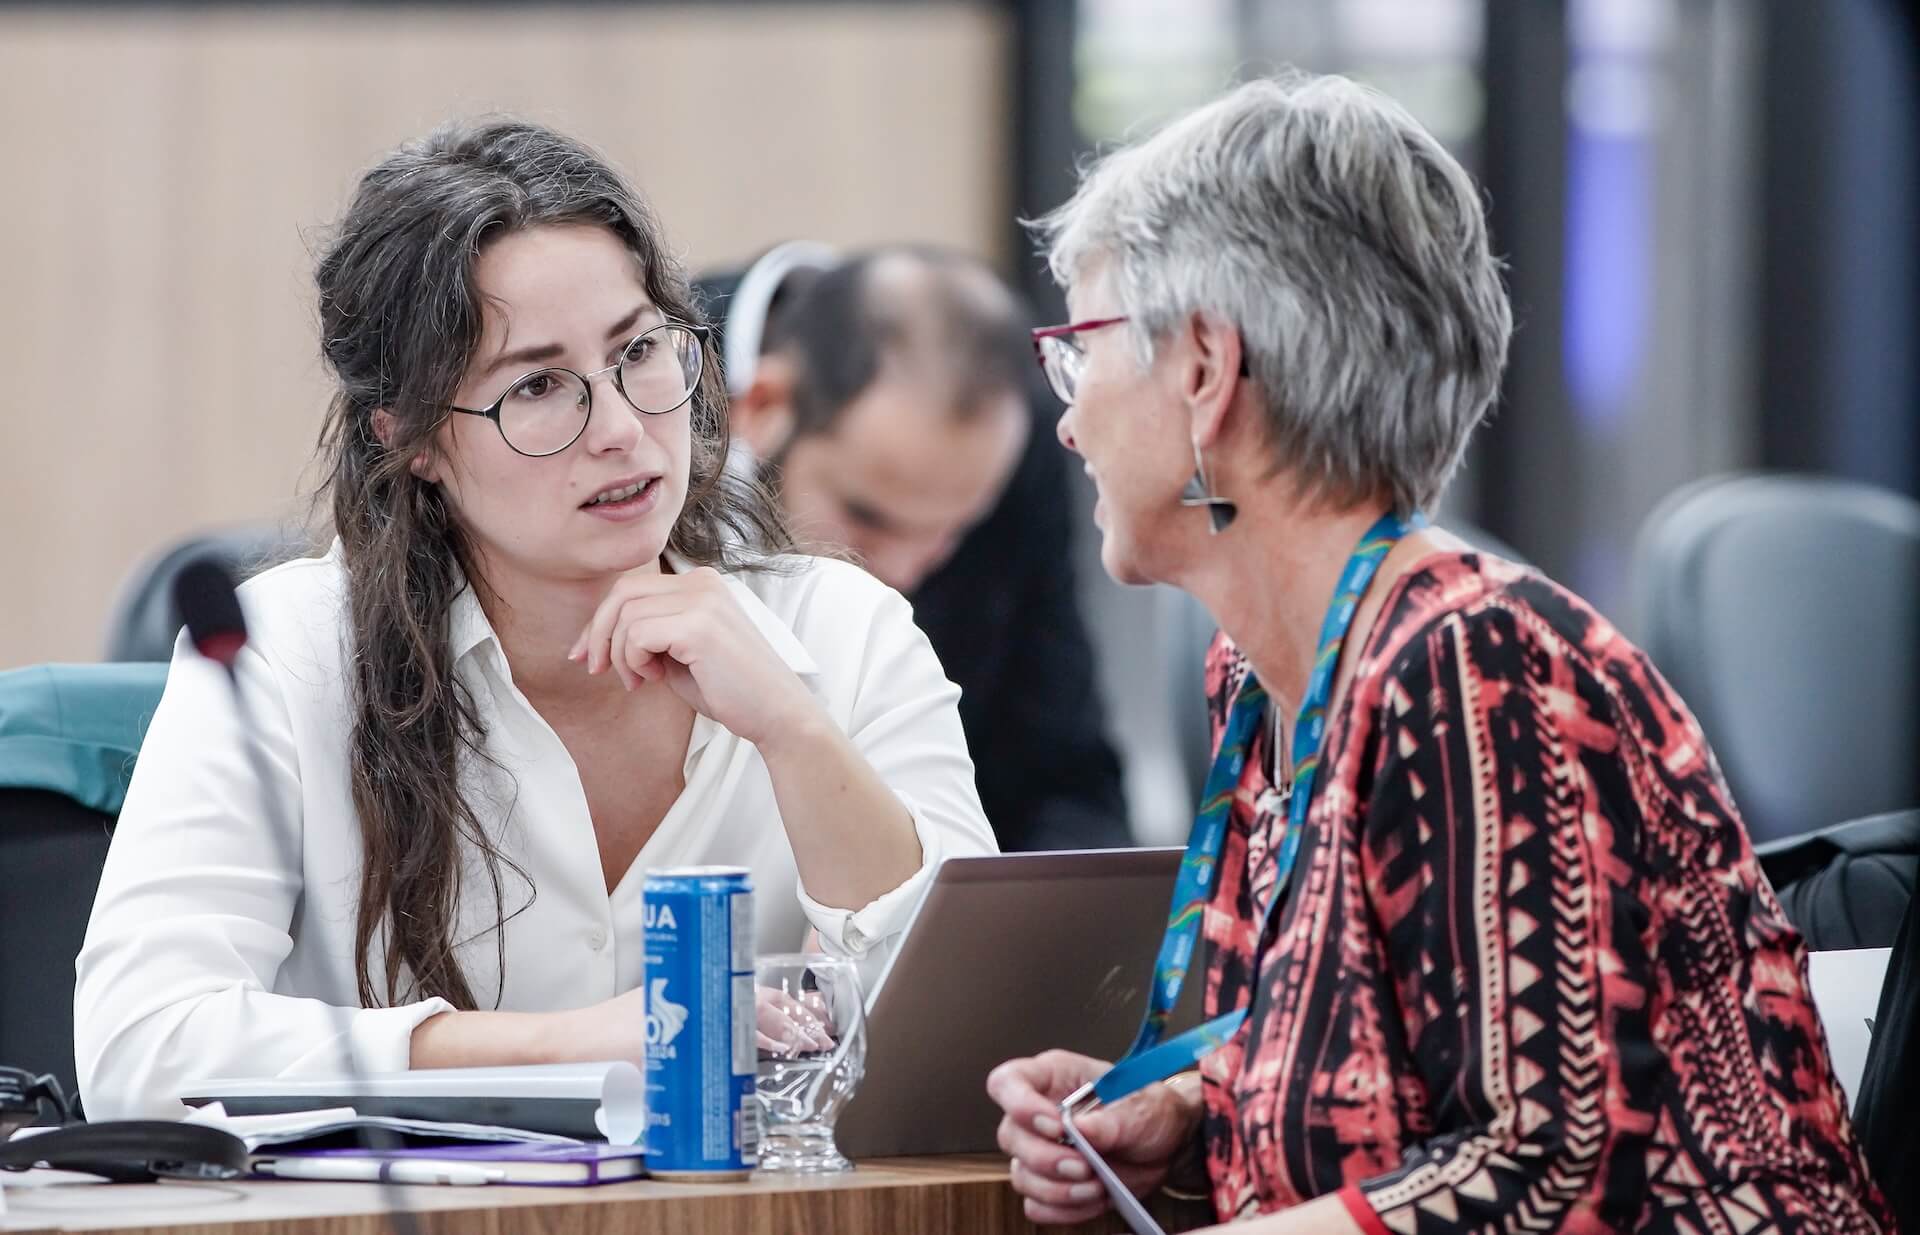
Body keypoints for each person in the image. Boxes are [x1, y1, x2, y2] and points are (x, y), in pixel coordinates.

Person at [987, 72, 1891, 1233]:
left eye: (1083, 350)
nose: (1067, 415)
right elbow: (1392, 1063)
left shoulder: (1475, 661)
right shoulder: (1266, 677)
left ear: (1206, 370)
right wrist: (1183, 1103)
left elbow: (1550, 1172)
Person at [73, 119, 996, 1120]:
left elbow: (976, 1031)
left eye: (640, 350)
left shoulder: (844, 628)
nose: (621, 429)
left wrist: (795, 731)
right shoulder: (285, 654)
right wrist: (572, 1044)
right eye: (538, 386)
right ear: (412, 437)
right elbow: (140, 1041)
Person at [705, 245, 1130, 852]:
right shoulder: (651, 379)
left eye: (953, 531)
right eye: (867, 518)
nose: (902, 573)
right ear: (764, 406)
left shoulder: (1019, 438)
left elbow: (1059, 771)